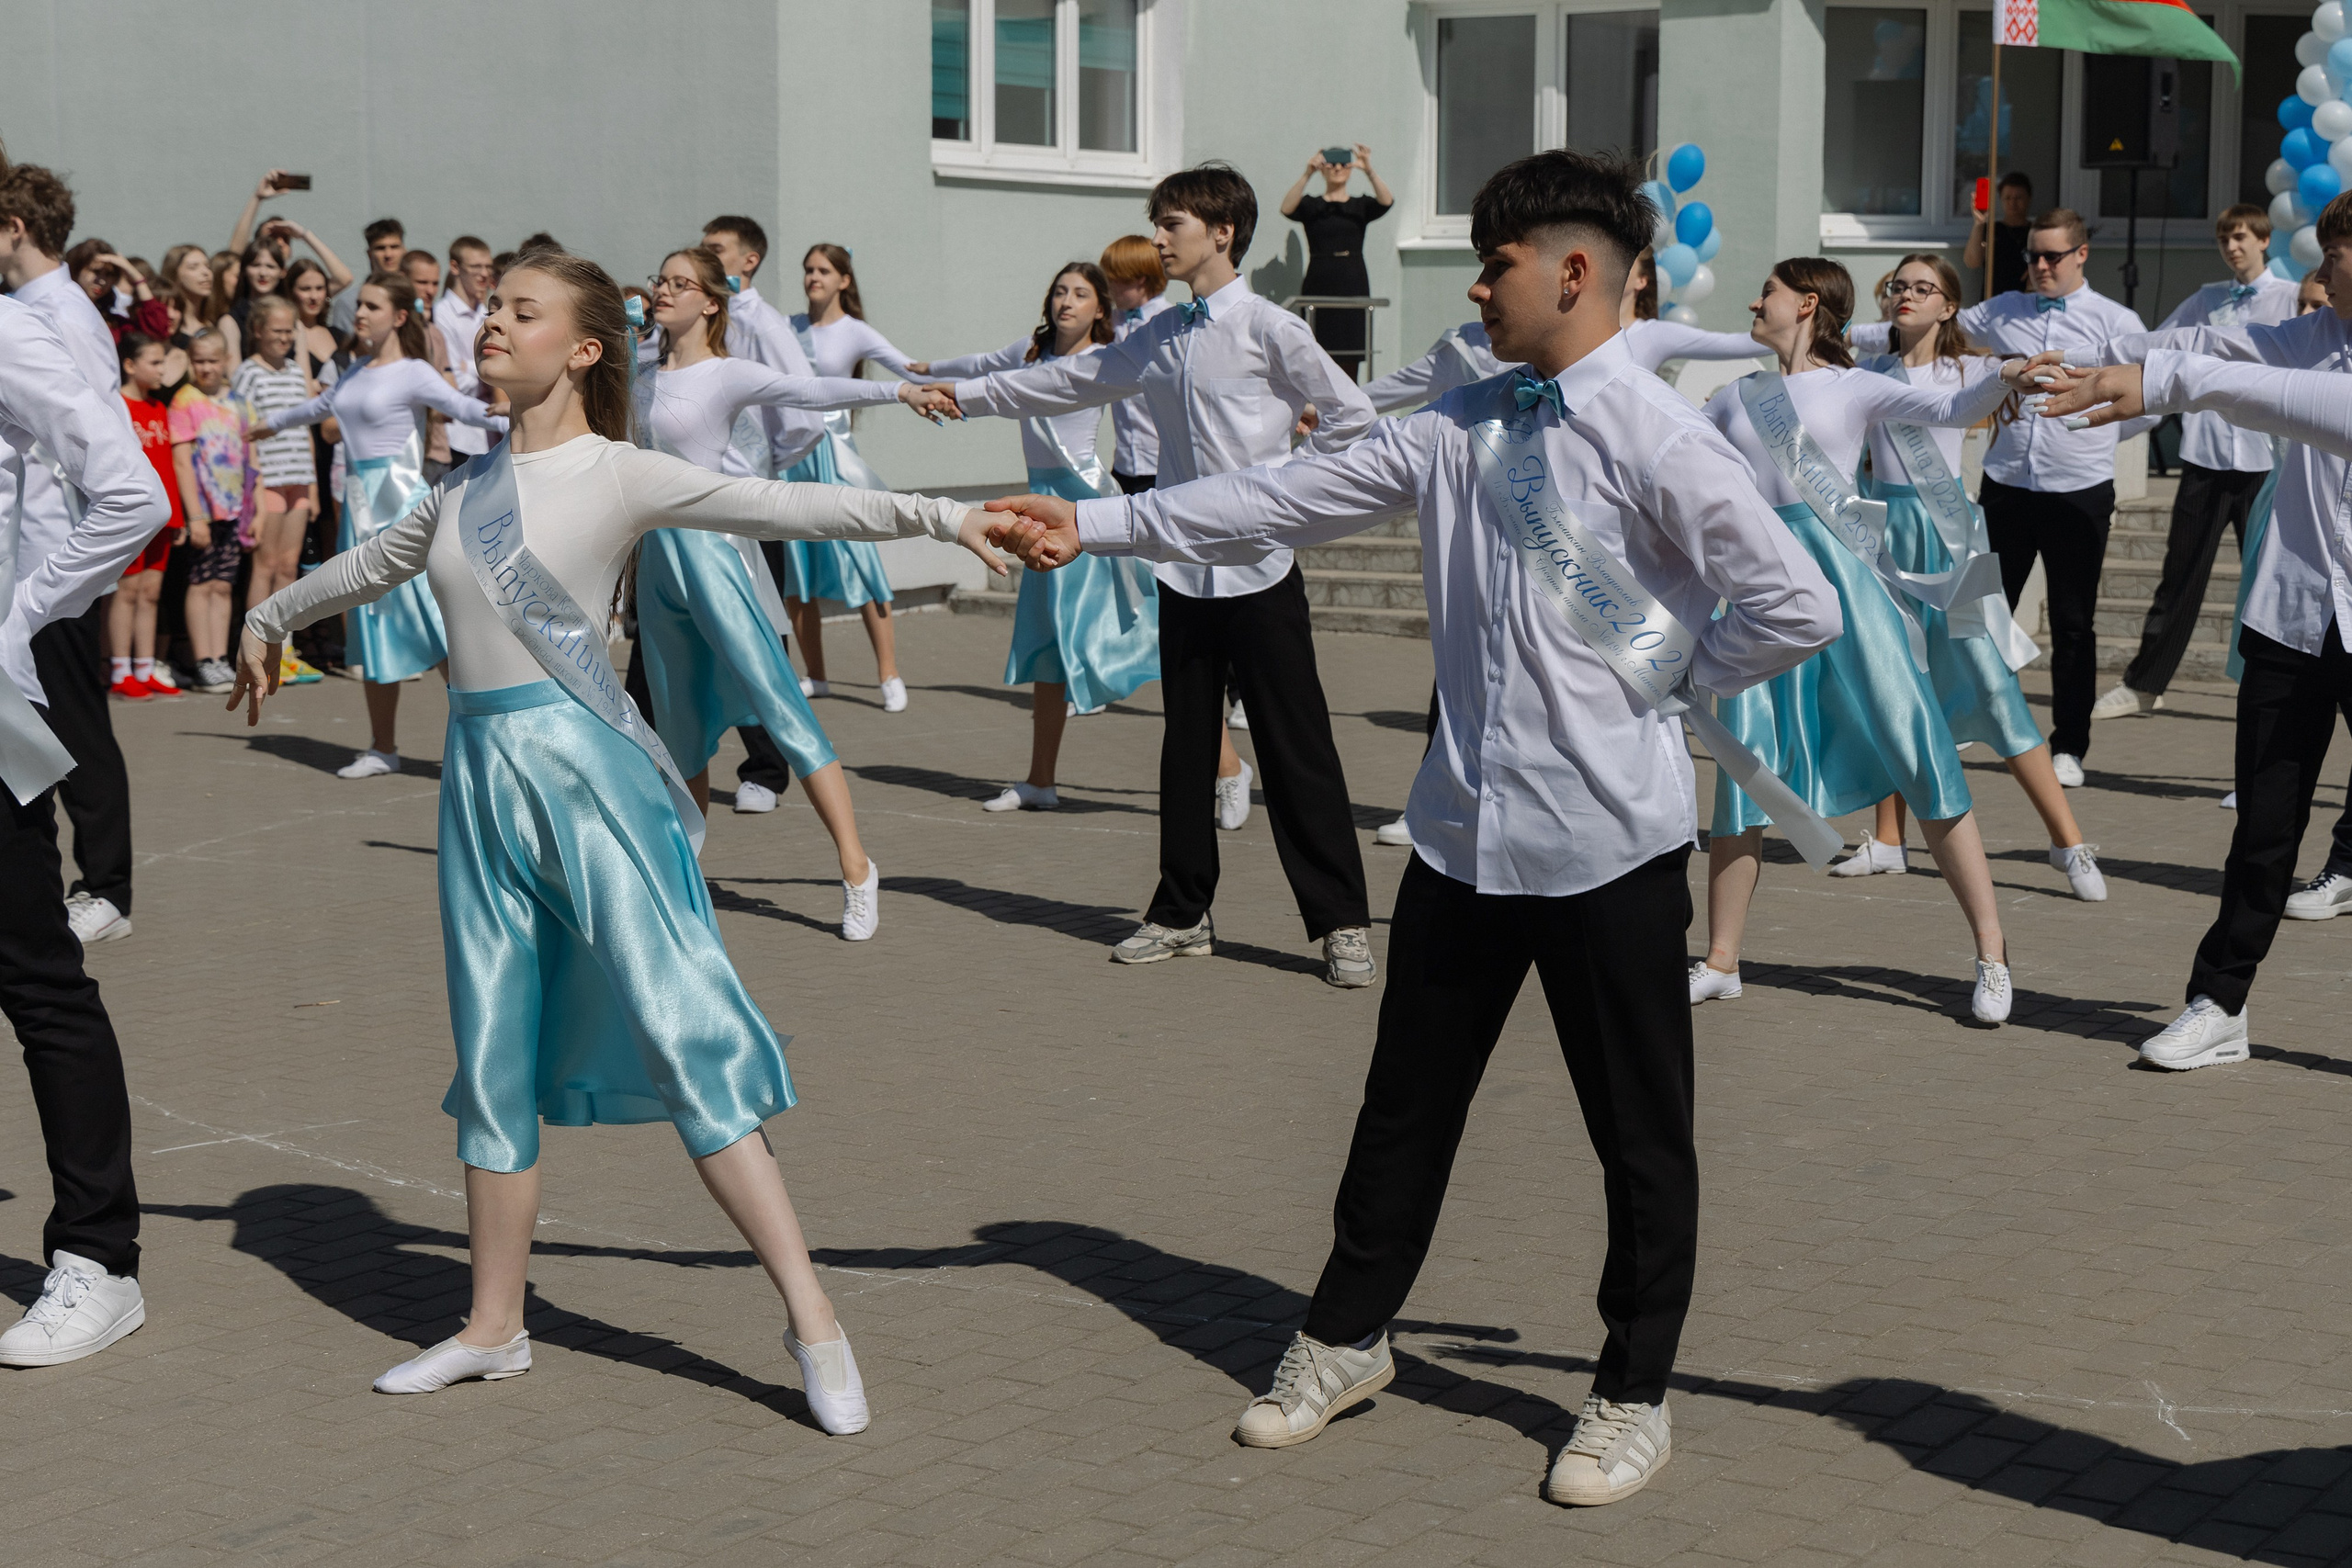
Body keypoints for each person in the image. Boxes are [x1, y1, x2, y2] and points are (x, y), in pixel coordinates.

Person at [985, 148, 1841, 1506]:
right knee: (1403, 1110)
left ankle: (1631, 1387)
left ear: (1574, 272)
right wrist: (1091, 526)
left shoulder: (1665, 437)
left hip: (1609, 845)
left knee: (1638, 1130)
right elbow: (1277, 496)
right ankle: (1343, 1335)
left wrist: (1675, 679)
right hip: (1459, 834)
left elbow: (1797, 604)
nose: (1477, 285)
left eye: (1493, 263)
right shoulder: (1464, 422)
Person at [228, 247, 1006, 1415]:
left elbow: (794, 504)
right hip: (480, 789)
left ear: (584, 350)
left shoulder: (623, 473)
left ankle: (815, 1320)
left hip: (590, 784)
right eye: (491, 308)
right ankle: (493, 1326)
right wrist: (266, 614)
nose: (491, 324)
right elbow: (358, 571)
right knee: (493, 1056)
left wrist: (946, 514)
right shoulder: (457, 494)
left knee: (683, 1032)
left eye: (519, 312)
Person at [936, 162, 1382, 988]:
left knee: (1297, 751)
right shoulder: (1161, 333)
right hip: (1182, 573)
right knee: (1185, 749)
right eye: (1158, 221)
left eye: (1171, 222)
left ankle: (1342, 923)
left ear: (1223, 232)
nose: (1159, 237)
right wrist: (964, 395)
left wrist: (1289, 489)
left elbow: (1353, 417)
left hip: (1259, 569)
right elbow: (1068, 378)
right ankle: (1182, 912)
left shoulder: (1270, 327)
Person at [2031, 193, 2352, 1064]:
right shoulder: (2313, 338)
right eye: (2320, 255)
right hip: (2294, 619)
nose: (2320, 275)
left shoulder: (2318, 366)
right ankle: (2221, 1004)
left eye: (2337, 254)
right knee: (2264, 829)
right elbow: (2200, 346)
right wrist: (2090, 359)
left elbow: (2295, 404)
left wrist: (2171, 381)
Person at [1694, 257, 2036, 1023]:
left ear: (1807, 304)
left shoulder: (1854, 387)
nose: (1755, 300)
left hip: (1847, 589)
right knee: (1744, 766)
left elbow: (1954, 407)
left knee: (1920, 748)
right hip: (1761, 590)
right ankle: (1721, 958)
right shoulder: (1733, 398)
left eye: (1768, 292)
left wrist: (2008, 370)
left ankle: (1991, 949)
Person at [632, 244, 955, 934]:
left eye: (679, 282)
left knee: (784, 711)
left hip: (717, 556)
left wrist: (897, 388)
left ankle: (857, 866)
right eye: (661, 279)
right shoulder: (637, 369)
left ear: (710, 302)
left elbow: (810, 390)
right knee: (678, 732)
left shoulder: (726, 374)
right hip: (658, 563)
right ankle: (684, 875)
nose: (663, 289)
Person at [0, 291, 174, 1368]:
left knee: (35, 977)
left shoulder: (12, 332)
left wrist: (19, 621)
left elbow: (131, 496)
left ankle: (99, 1261)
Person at [1829, 253, 2104, 898]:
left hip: (1952, 537)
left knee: (1993, 683)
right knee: (1893, 684)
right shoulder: (1869, 372)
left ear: (1949, 306)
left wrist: (2019, 372)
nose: (1908, 296)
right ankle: (1890, 839)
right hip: (1886, 537)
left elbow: (1973, 399)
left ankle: (2068, 842)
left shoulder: (1972, 367)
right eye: (1900, 286)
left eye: (1925, 288)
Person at [1855, 208, 2154, 785]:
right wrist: (1832, 333)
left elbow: (2147, 403)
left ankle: (2068, 744)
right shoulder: (2002, 311)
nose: (2040, 266)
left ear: (2081, 255)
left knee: (2072, 622)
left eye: (2052, 256)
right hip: (2008, 486)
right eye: (2032, 256)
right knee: (1982, 612)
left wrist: (2094, 437)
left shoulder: (2116, 320)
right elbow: (1919, 328)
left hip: (2079, 490)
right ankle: (1969, 716)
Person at [925, 262, 1161, 812]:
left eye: (1081, 294)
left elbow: (1009, 388)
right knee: (1049, 649)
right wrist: (925, 371)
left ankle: (1226, 767)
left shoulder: (1103, 361)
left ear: (1101, 308)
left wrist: (953, 391)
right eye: (1059, 291)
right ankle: (1040, 780)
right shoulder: (1032, 354)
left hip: (1083, 508)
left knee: (1134, 641)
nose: (1067, 302)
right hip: (1039, 506)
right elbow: (984, 367)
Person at [254, 271, 505, 777]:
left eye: (371, 305)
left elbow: (464, 409)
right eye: (360, 306)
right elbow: (317, 407)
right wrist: (269, 425)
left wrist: (517, 414)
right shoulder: (355, 370)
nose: (360, 313)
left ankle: (492, 742)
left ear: (399, 316)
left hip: (401, 505)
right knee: (371, 625)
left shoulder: (413, 371)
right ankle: (382, 748)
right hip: (361, 508)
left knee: (434, 623)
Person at [0, 158, 143, 943]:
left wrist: (64, 574)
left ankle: (108, 888)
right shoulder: (34, 305)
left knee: (76, 728)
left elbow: (100, 443)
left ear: (13, 228)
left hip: (56, 558)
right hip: (33, 553)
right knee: (37, 724)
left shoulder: (56, 312)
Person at [2091, 205, 2301, 722]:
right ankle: (2146, 683)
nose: (2233, 247)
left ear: (2265, 241)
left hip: (2263, 462)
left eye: (2242, 237)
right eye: (2226, 238)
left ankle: (2276, 693)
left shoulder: (2292, 296)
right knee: (2180, 575)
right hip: (2206, 455)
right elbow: (2159, 348)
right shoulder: (2207, 298)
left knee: (2268, 578)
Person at [697, 214, 830, 813]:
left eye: (715, 250)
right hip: (689, 500)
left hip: (745, 503)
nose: (705, 257)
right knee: (681, 627)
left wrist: (761, 463)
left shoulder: (763, 323)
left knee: (755, 629)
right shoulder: (696, 319)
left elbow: (804, 406)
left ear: (748, 260)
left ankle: (769, 767)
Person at [782, 243, 921, 711]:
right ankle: (816, 674)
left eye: (823, 270)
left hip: (837, 461)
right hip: (794, 462)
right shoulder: (789, 328)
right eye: (808, 270)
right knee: (798, 574)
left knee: (862, 565)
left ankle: (889, 674)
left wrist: (959, 384)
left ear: (844, 279)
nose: (813, 277)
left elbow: (910, 369)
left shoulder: (854, 331)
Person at [232, 296, 324, 684]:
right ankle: (256, 649)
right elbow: (242, 431)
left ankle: (284, 651)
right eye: (278, 331)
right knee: (265, 567)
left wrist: (313, 486)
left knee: (288, 568)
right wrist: (253, 485)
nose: (285, 338)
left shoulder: (293, 372)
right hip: (267, 480)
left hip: (299, 478)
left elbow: (304, 428)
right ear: (257, 331)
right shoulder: (247, 373)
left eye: (290, 332)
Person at [166, 330, 261, 694]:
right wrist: (195, 516)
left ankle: (220, 657)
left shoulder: (239, 403)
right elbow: (182, 463)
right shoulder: (185, 401)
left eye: (212, 360)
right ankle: (203, 658)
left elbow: (253, 462)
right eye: (199, 361)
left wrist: (258, 511)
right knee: (201, 581)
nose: (206, 368)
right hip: (205, 509)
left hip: (236, 509)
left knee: (223, 584)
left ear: (225, 361)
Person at [1277, 142, 1396, 380]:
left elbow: (1386, 201)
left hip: (1352, 280)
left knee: (1350, 350)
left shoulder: (1359, 206)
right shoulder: (1313, 205)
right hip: (1319, 279)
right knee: (1315, 349)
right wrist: (1307, 173)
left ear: (1350, 168)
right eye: (1331, 164)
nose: (1338, 168)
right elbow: (1287, 208)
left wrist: (1368, 169)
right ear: (1323, 168)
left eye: (1344, 164)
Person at [113, 334, 182, 699]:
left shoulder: (159, 407)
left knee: (151, 593)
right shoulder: (118, 405)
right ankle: (120, 669)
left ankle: (145, 665)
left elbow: (169, 466)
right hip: (132, 513)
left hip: (163, 514)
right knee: (126, 592)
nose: (161, 370)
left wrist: (179, 517)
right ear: (129, 365)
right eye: (154, 363)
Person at [435, 236, 497, 468]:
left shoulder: (486, 313)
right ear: (455, 268)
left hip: (489, 434)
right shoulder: (442, 313)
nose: (484, 274)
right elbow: (456, 382)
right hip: (459, 437)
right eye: (476, 267)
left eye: (488, 267)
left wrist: (470, 366)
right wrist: (484, 369)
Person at [63, 238, 170, 344]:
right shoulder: (58, 310)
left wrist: (137, 278)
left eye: (109, 274)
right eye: (96, 271)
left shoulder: (114, 323)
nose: (102, 281)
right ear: (75, 270)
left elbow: (157, 331)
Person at [330, 218, 410, 335]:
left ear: (404, 250)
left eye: (394, 247)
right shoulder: (349, 302)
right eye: (380, 248)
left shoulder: (415, 294)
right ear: (369, 254)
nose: (388, 255)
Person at [1962, 170, 2033, 299]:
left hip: (2027, 303)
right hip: (1992, 302)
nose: (2013, 203)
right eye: (2007, 198)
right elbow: (1972, 262)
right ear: (2001, 199)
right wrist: (1979, 222)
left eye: (2018, 198)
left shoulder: (2037, 231)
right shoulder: (1991, 230)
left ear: (2029, 198)